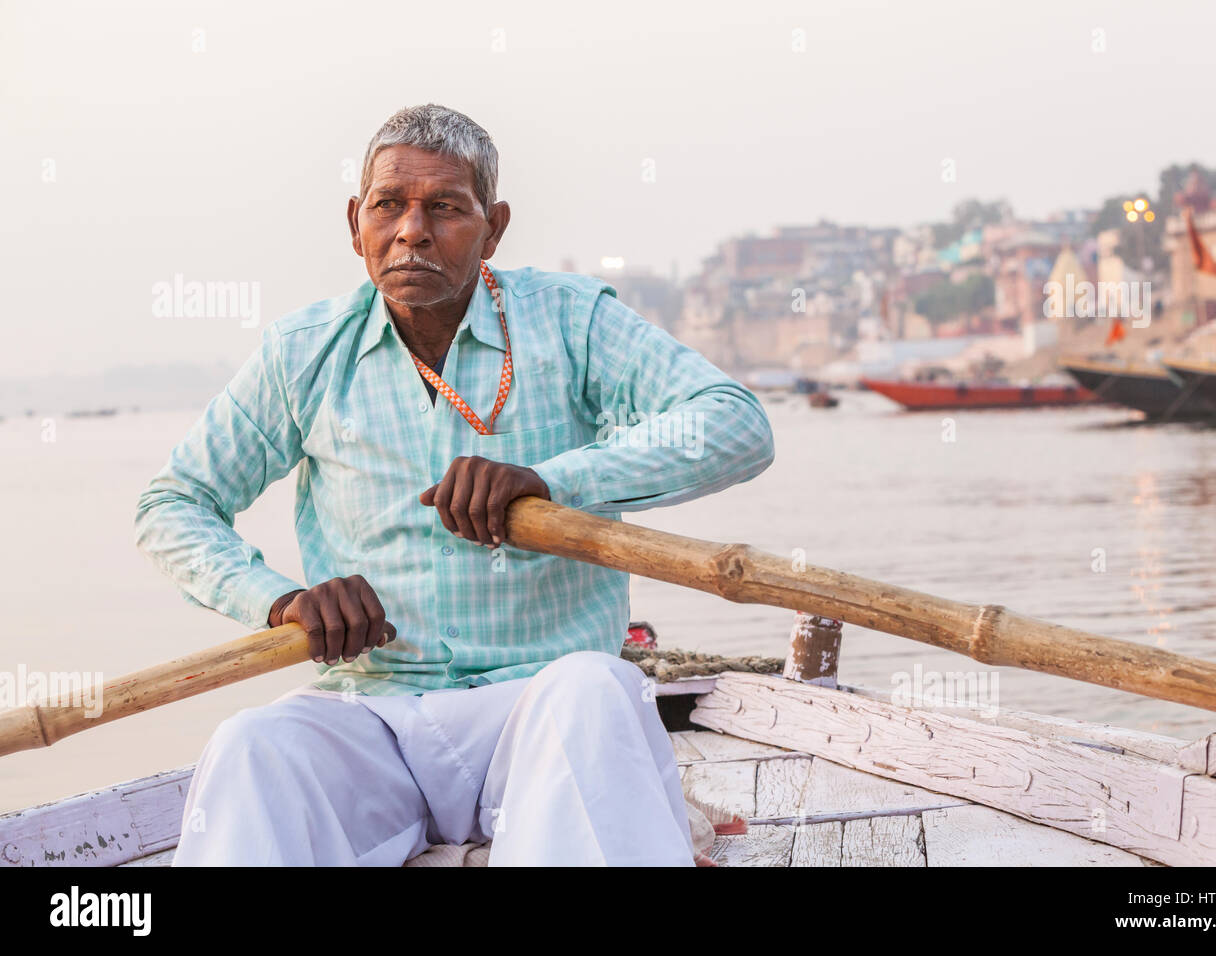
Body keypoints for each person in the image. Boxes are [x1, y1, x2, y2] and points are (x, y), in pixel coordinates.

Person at [134, 103, 775, 866]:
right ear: (355, 223)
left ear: (493, 227)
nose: (412, 230)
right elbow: (173, 506)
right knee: (253, 744)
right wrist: (280, 602)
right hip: (373, 712)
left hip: (540, 707)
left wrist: (551, 481)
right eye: (389, 206)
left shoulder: (570, 321)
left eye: (444, 207)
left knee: (597, 692)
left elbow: (735, 423)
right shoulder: (301, 355)